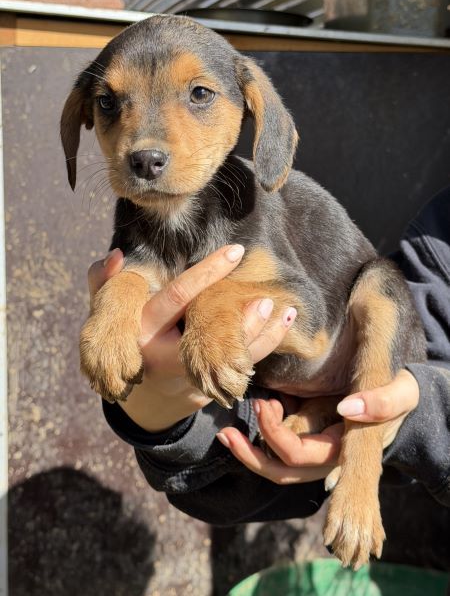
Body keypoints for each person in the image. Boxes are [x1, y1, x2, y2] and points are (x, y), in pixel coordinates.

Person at [92, 187, 449, 526]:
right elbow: (226, 482)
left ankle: (357, 461)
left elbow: (316, 332)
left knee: (382, 286)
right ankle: (322, 410)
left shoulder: (249, 215)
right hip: (278, 402)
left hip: (342, 342)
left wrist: (408, 425)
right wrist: (160, 421)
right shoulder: (437, 245)